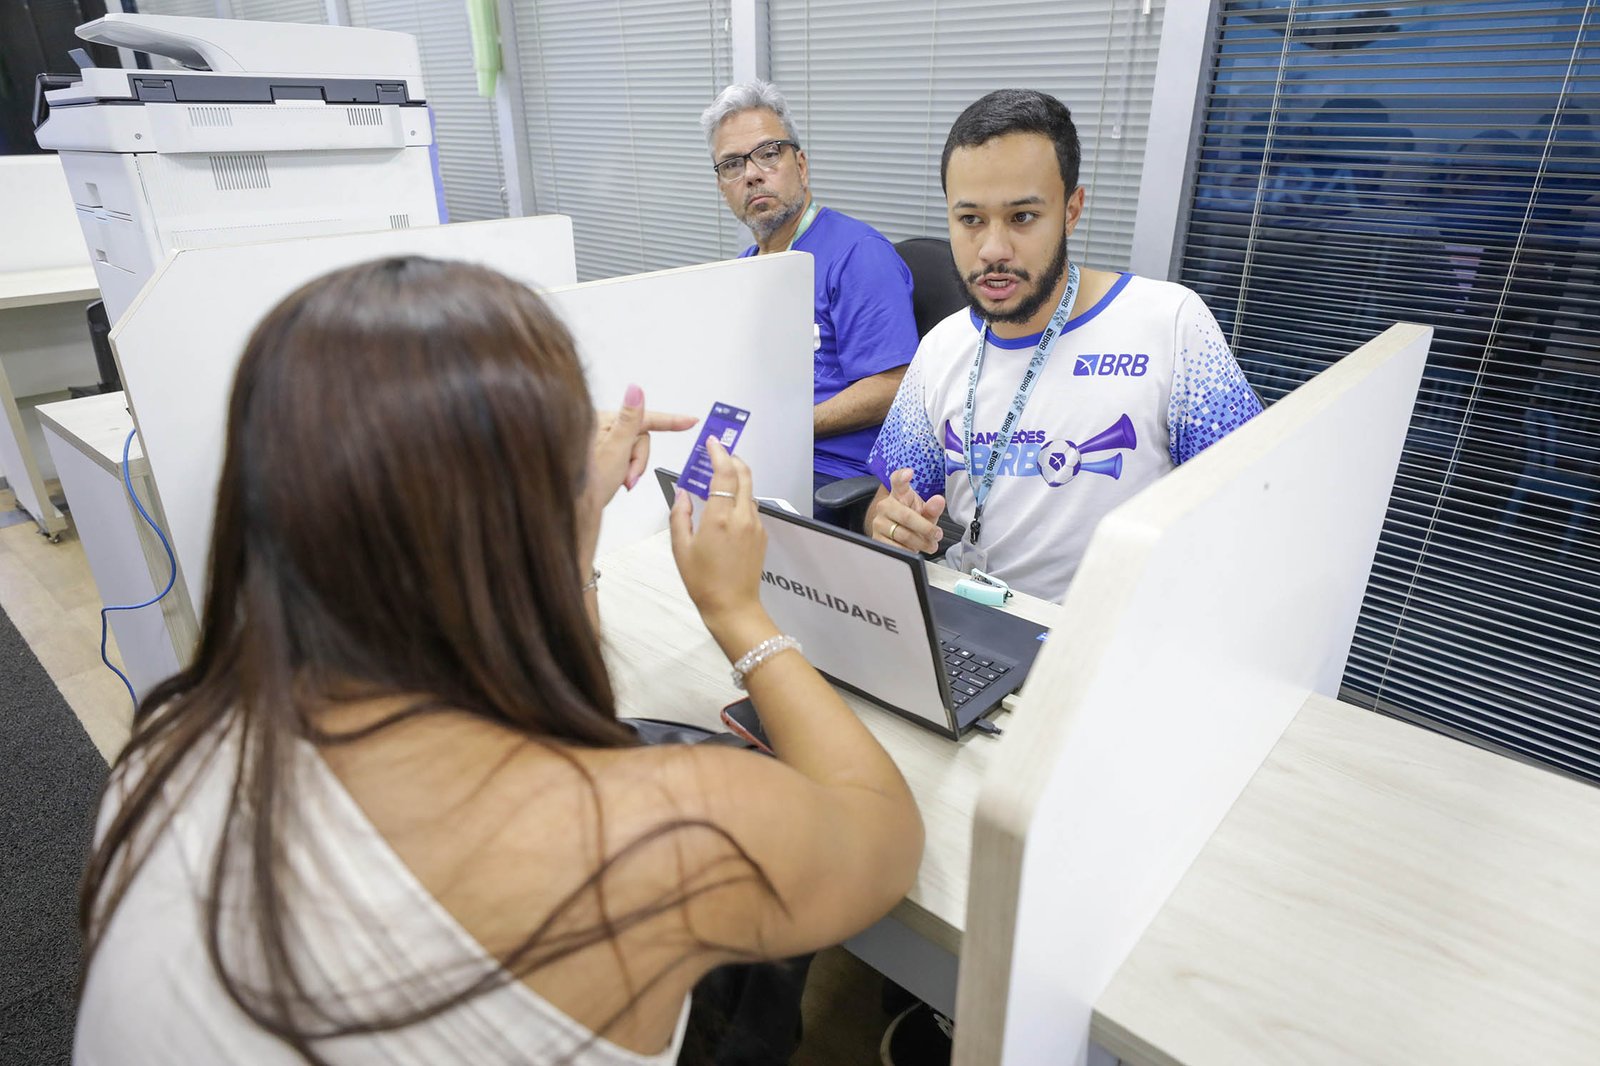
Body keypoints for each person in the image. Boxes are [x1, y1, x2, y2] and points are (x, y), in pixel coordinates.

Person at [74, 257, 924, 1065]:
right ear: (520, 526)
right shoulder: (646, 839)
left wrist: (562, 513)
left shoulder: (167, 744)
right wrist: (738, 612)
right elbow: (883, 835)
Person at [864, 89, 1264, 605]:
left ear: (1071, 211)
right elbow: (889, 502)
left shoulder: (1169, 324)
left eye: (1023, 217)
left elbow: (1252, 503)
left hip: (1110, 640)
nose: (992, 250)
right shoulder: (941, 347)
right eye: (970, 220)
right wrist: (892, 525)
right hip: (972, 622)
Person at [701, 80, 920, 523]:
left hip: (829, 475)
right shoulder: (746, 266)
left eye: (767, 153)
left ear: (800, 165)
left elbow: (895, 385)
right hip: (760, 453)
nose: (752, 174)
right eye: (731, 165)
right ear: (723, 186)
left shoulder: (858, 254)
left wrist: (789, 424)